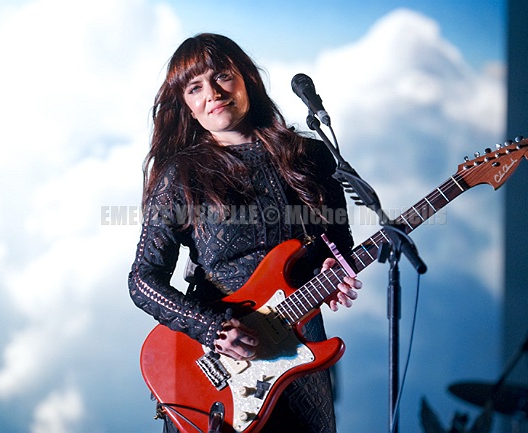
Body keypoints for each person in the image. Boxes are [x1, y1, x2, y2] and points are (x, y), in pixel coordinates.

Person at [128, 33, 363, 433]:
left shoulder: (310, 155)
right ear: (186, 106)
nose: (213, 94)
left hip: (302, 347)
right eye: (195, 87)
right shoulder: (180, 175)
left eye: (222, 76)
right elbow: (143, 279)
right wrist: (212, 328)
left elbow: (338, 243)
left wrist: (332, 268)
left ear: (247, 79)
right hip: (217, 365)